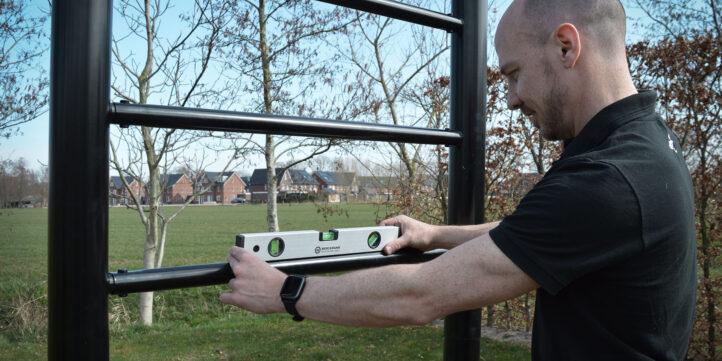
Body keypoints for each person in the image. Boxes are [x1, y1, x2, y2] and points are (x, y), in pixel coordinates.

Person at [220, 0, 696, 359]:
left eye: (513, 74)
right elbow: (537, 235)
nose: (510, 98)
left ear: (567, 46)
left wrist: (287, 292)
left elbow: (421, 294)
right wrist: (435, 234)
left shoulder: (609, 178)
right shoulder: (643, 143)